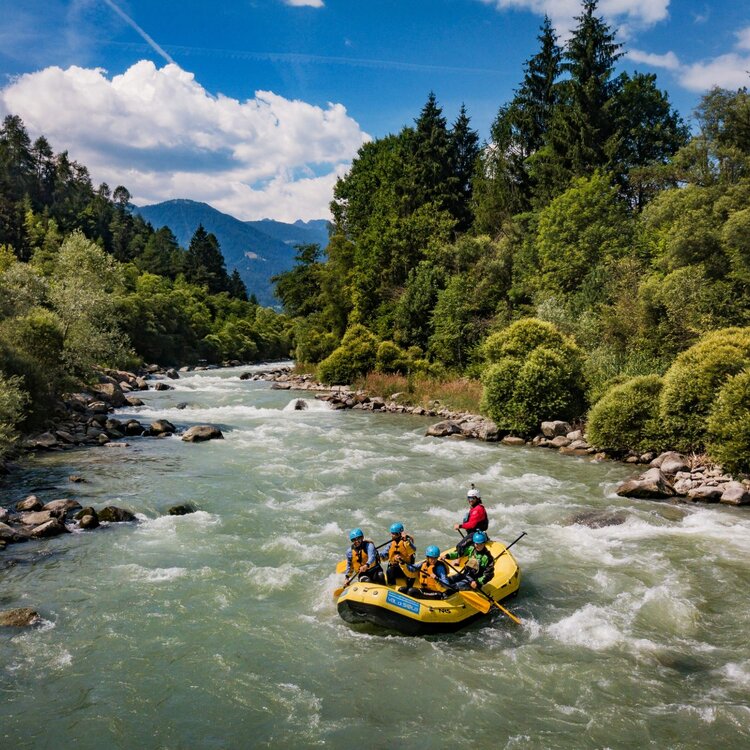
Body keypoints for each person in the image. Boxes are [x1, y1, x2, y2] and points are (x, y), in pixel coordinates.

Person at [454, 487, 489, 554]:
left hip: (477, 534)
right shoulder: (475, 508)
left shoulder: (478, 509)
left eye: (472, 498)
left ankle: (456, 563)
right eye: (469, 498)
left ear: (477, 498)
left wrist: (460, 526)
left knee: (459, 546)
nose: (470, 500)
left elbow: (471, 524)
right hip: (475, 533)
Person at [382, 522, 417, 586]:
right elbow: (385, 553)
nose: (392, 535)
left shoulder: (408, 541)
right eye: (392, 533)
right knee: (389, 571)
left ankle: (408, 587)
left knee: (409, 576)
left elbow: (412, 550)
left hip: (406, 568)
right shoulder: (391, 543)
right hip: (395, 568)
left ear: (399, 534)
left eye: (394, 534)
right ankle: (391, 586)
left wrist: (405, 540)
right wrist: (379, 556)